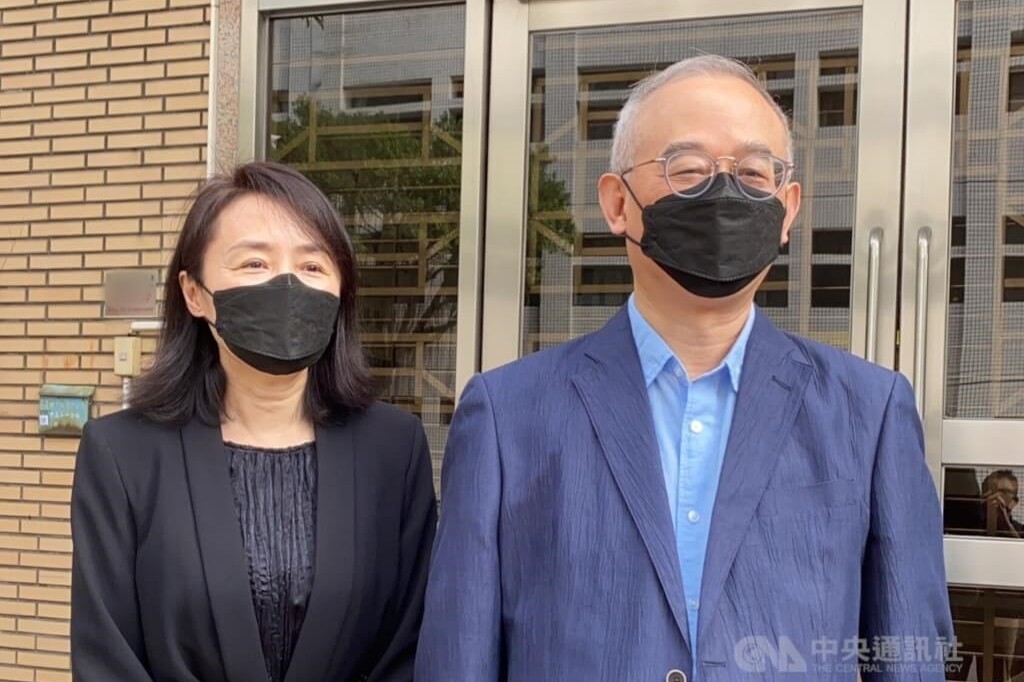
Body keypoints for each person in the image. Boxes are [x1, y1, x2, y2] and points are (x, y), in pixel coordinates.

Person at [416, 56, 953, 681]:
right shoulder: (506, 415)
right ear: (618, 203)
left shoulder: (870, 411)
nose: (723, 194)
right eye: (689, 169)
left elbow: (909, 653)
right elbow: (458, 655)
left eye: (753, 173)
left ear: (787, 210)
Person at [71, 162, 437, 682]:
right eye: (254, 263)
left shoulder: (393, 450)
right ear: (194, 293)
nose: (287, 285)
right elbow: (106, 657)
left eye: (312, 266)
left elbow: (411, 645)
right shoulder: (122, 453)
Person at [982, 469, 1024, 538]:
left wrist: (1006, 524)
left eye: (1004, 492)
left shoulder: (1021, 531)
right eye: (992, 491)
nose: (996, 496)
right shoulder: (971, 527)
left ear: (1013, 502)